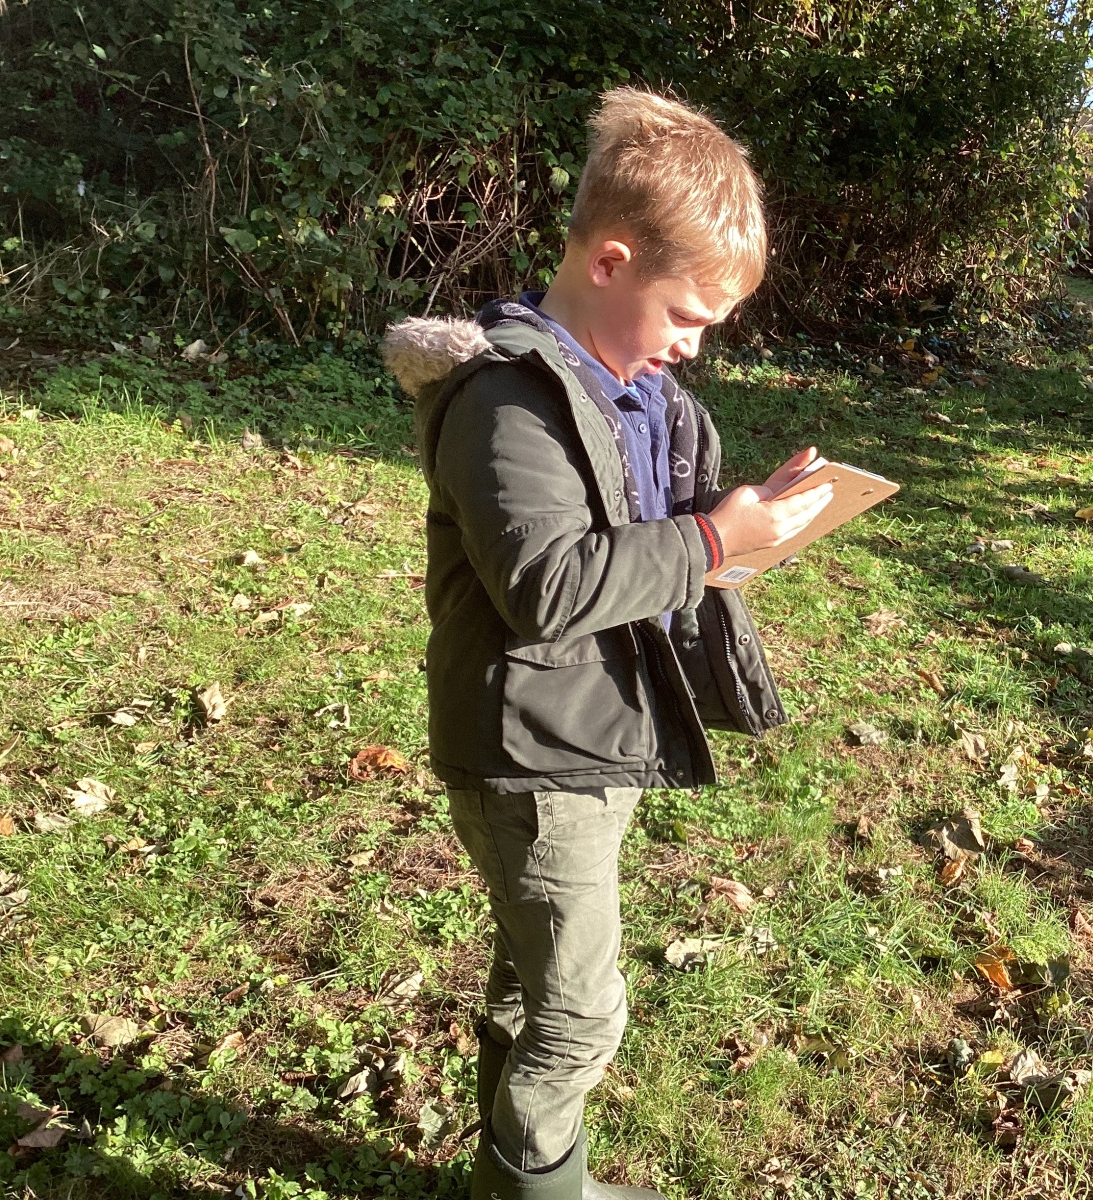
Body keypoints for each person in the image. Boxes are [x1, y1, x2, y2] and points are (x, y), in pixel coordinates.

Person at [381, 88, 832, 1200]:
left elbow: (641, 541)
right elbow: (548, 585)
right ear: (612, 260)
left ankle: (520, 1186)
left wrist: (742, 524)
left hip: (596, 729)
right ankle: (538, 1188)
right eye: (688, 315)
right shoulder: (506, 402)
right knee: (580, 1017)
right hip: (530, 751)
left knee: (533, 981)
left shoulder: (630, 395)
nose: (692, 345)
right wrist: (710, 539)